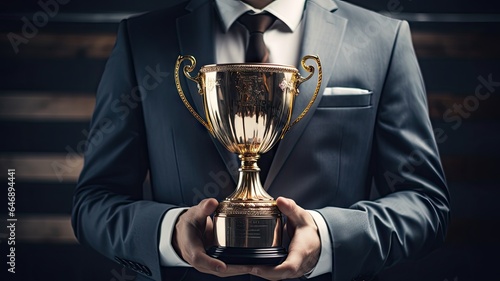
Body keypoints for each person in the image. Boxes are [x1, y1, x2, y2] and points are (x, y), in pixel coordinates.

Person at [71, 0, 450, 280]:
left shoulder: (383, 40)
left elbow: (425, 203)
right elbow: (95, 203)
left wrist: (329, 237)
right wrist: (170, 232)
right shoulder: (143, 39)